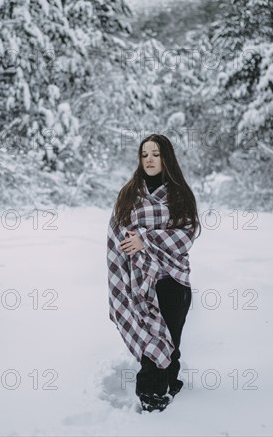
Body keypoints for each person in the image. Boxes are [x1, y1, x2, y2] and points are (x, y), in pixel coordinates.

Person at [106, 134, 201, 412]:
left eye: (155, 154)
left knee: (171, 343)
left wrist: (145, 239)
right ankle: (152, 398)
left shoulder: (179, 194)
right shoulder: (128, 195)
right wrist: (120, 279)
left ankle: (169, 386)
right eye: (144, 154)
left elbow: (185, 237)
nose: (149, 159)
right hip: (139, 283)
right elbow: (116, 238)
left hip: (172, 282)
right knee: (152, 343)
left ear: (166, 158)